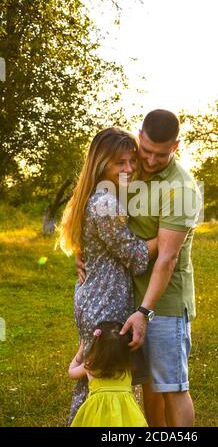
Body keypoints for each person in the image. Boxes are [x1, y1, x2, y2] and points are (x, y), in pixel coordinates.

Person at [76, 110, 200, 427]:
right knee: (147, 385)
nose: (151, 160)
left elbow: (167, 258)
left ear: (176, 147)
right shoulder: (132, 170)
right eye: (145, 151)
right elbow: (103, 215)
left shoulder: (181, 188)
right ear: (139, 137)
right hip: (128, 296)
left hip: (164, 302)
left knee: (171, 385)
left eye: (161, 155)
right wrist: (83, 250)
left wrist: (145, 312)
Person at [60, 127, 157, 423]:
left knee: (96, 379)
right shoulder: (104, 203)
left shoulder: (100, 194)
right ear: (102, 163)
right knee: (103, 382)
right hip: (105, 302)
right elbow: (137, 257)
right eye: (119, 163)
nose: (128, 168)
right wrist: (168, 238)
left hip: (95, 297)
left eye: (131, 161)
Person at [69, 321, 148, 427]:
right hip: (126, 413)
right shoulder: (127, 368)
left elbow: (71, 372)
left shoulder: (91, 365)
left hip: (97, 413)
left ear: (97, 345)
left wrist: (80, 353)